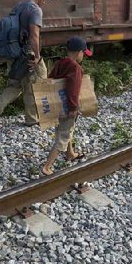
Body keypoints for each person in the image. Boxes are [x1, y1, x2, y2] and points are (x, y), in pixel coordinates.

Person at [0, 0, 52, 127]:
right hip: (27, 53)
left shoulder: (19, 6)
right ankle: (32, 119)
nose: (45, 1)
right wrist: (37, 57)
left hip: (14, 52)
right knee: (36, 82)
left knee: (15, 84)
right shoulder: (35, 10)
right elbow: (34, 35)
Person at [41, 36, 92, 176]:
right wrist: (73, 108)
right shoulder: (76, 68)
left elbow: (50, 80)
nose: (83, 56)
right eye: (83, 53)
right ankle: (47, 167)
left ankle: (70, 153)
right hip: (68, 108)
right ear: (78, 52)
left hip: (57, 105)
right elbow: (73, 89)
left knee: (67, 129)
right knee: (63, 135)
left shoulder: (60, 63)